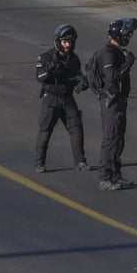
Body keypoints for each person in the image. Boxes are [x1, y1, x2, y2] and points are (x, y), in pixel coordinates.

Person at [90, 17, 137, 191]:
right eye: (128, 33)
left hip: (119, 101)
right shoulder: (108, 53)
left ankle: (116, 174)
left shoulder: (118, 52)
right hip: (110, 101)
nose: (130, 36)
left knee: (119, 140)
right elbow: (112, 78)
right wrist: (128, 64)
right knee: (110, 139)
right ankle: (105, 177)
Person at [34, 24, 89, 173]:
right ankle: (39, 162)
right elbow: (40, 77)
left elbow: (76, 75)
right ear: (58, 42)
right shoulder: (45, 57)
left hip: (67, 97)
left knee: (76, 128)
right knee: (45, 130)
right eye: (65, 42)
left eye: (70, 42)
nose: (68, 45)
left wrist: (82, 82)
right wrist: (51, 67)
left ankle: (80, 161)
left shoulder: (73, 59)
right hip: (51, 98)